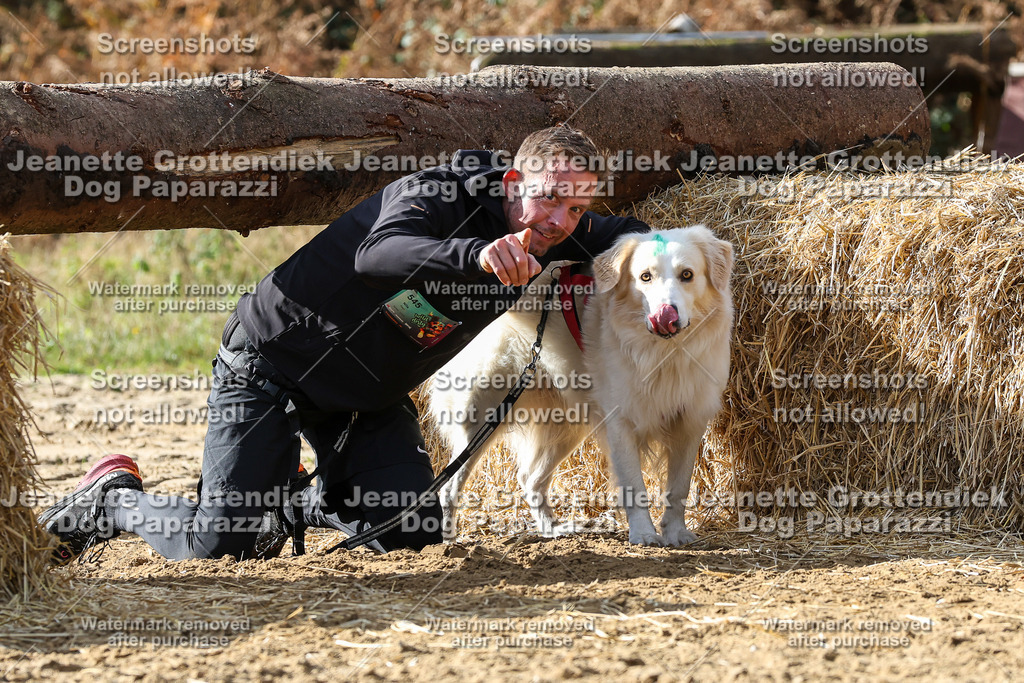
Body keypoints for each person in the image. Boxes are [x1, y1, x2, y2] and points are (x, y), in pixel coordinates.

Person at [39, 125, 652, 562]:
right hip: (275, 363)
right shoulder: (439, 195)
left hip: (366, 398)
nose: (561, 222)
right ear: (515, 181)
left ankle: (288, 503)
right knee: (219, 546)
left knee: (410, 531)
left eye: (577, 208)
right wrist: (475, 255)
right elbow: (377, 255)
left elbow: (628, 235)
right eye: (550, 199)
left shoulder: (552, 230)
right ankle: (113, 501)